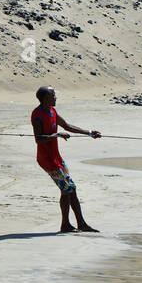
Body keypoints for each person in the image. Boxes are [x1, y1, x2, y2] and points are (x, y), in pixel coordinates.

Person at [31, 86, 100, 233]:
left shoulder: (52, 111)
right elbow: (38, 139)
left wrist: (89, 133)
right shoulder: (37, 115)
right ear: (44, 98)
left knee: (71, 189)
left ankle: (80, 224)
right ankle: (65, 225)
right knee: (67, 189)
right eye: (53, 95)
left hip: (57, 158)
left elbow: (67, 126)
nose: (55, 97)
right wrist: (56, 135)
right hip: (47, 159)